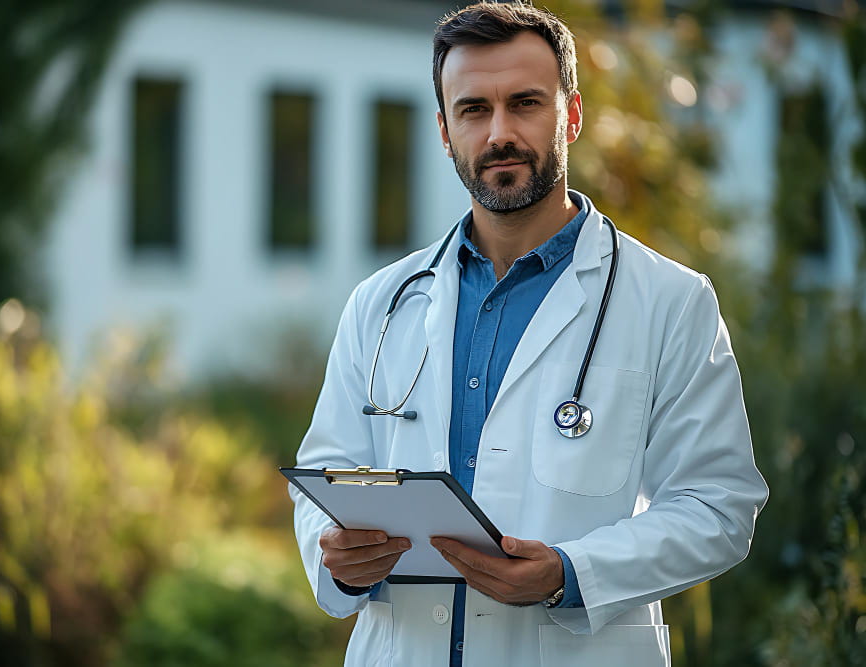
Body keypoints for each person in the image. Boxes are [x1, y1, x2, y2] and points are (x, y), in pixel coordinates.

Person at [290, 3, 769, 665]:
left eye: (525, 103)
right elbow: (322, 474)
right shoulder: (382, 303)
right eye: (474, 110)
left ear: (570, 115)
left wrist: (571, 571)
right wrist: (338, 554)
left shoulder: (671, 301)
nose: (499, 134)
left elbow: (719, 505)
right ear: (444, 129)